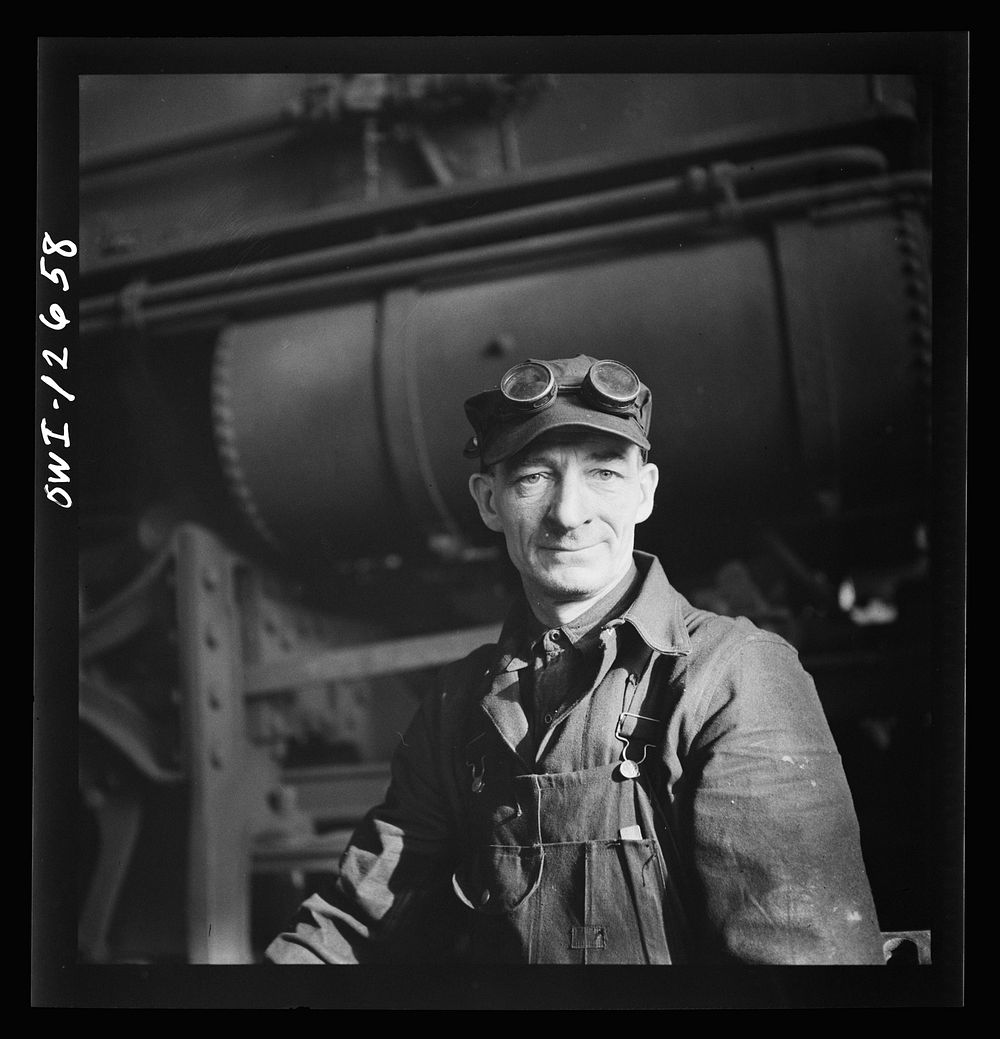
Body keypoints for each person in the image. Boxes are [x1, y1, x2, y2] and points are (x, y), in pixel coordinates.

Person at [265, 354, 885, 965]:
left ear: (644, 493)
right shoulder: (459, 702)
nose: (569, 513)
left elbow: (800, 971)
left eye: (605, 474)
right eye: (535, 476)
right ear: (488, 501)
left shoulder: (733, 674)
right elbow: (358, 922)